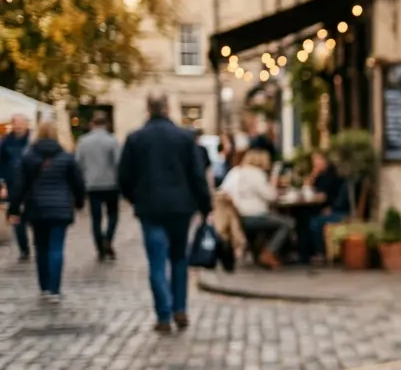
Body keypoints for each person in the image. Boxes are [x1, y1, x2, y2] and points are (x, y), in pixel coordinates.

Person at [119, 93, 213, 334]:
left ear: (148, 108)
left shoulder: (136, 139)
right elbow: (197, 175)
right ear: (168, 108)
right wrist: (205, 206)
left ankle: (164, 314)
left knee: (157, 262)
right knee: (179, 259)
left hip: (150, 208)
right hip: (181, 208)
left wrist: (136, 198)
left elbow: (124, 178)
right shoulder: (184, 137)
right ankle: (179, 308)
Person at [6, 120, 85, 300]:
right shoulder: (66, 157)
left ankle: (44, 286)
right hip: (60, 208)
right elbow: (78, 184)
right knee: (56, 248)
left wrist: (14, 208)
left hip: (37, 208)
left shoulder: (28, 157)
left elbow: (19, 186)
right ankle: (55, 290)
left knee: (41, 247)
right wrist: (79, 203)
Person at [220, 149, 292, 269]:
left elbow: (223, 191)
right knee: (288, 223)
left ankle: (262, 253)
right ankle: (269, 252)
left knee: (274, 219)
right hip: (253, 215)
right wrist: (274, 180)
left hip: (237, 217)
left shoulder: (235, 172)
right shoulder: (256, 174)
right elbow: (271, 196)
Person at [75, 112, 121, 261]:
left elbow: (78, 164)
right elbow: (118, 163)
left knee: (96, 218)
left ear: (92, 124)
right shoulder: (112, 140)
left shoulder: (83, 141)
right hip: (111, 184)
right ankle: (108, 239)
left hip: (92, 184)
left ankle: (100, 246)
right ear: (106, 124)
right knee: (113, 214)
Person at [299, 150, 351, 264]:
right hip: (321, 208)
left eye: (318, 160)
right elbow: (307, 187)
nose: (315, 163)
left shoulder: (331, 175)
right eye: (314, 160)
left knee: (314, 222)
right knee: (305, 218)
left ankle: (320, 253)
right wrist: (313, 174)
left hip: (336, 210)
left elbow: (324, 196)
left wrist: (331, 208)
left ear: (325, 161)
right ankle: (306, 252)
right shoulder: (319, 175)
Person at [0, 114, 32, 261]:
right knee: (17, 217)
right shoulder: (6, 142)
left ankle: (38, 243)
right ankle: (23, 248)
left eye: (22, 124)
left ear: (26, 125)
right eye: (17, 124)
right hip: (13, 185)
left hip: (32, 186)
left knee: (35, 216)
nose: (19, 127)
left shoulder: (33, 141)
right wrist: (2, 184)